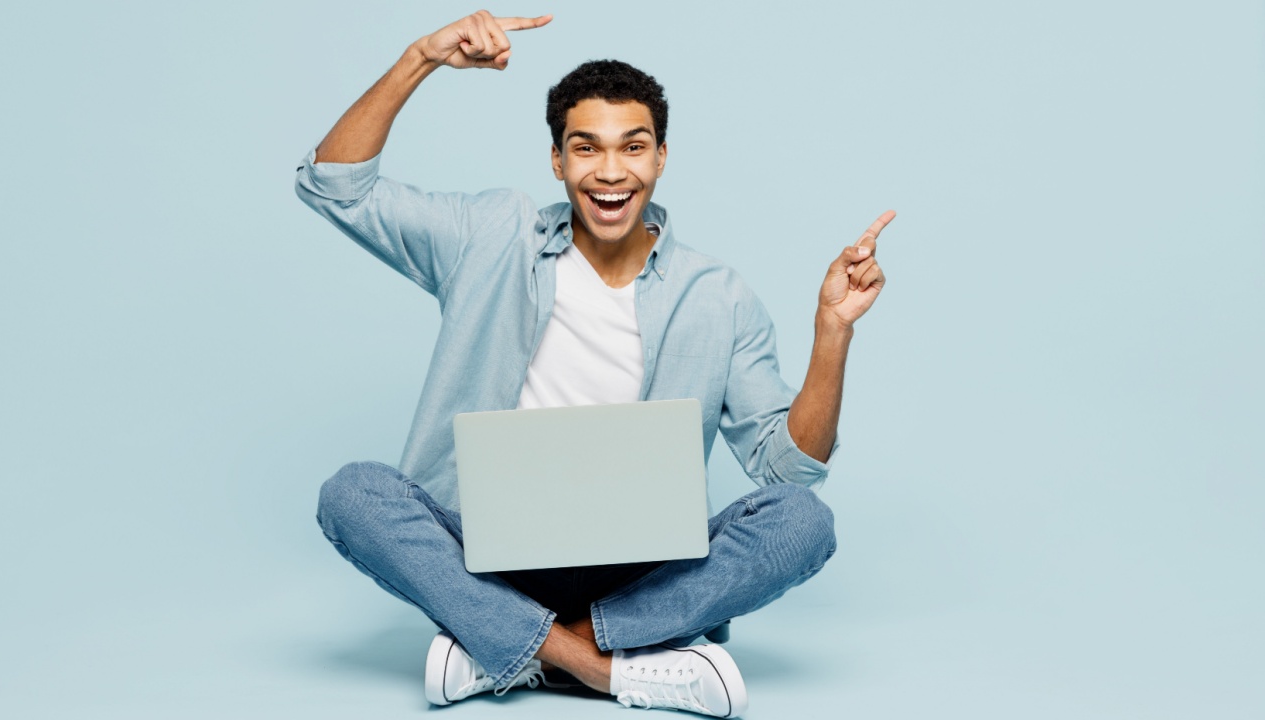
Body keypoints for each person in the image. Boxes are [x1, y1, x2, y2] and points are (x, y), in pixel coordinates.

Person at [296, 10, 892, 718]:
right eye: (586, 148)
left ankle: (509, 653)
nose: (610, 173)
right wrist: (419, 59)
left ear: (661, 157)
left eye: (632, 148)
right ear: (557, 160)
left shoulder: (717, 295)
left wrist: (832, 333)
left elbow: (790, 470)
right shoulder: (491, 237)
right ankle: (605, 669)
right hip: (485, 557)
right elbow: (333, 185)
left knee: (803, 521)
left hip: (638, 575)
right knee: (352, 495)